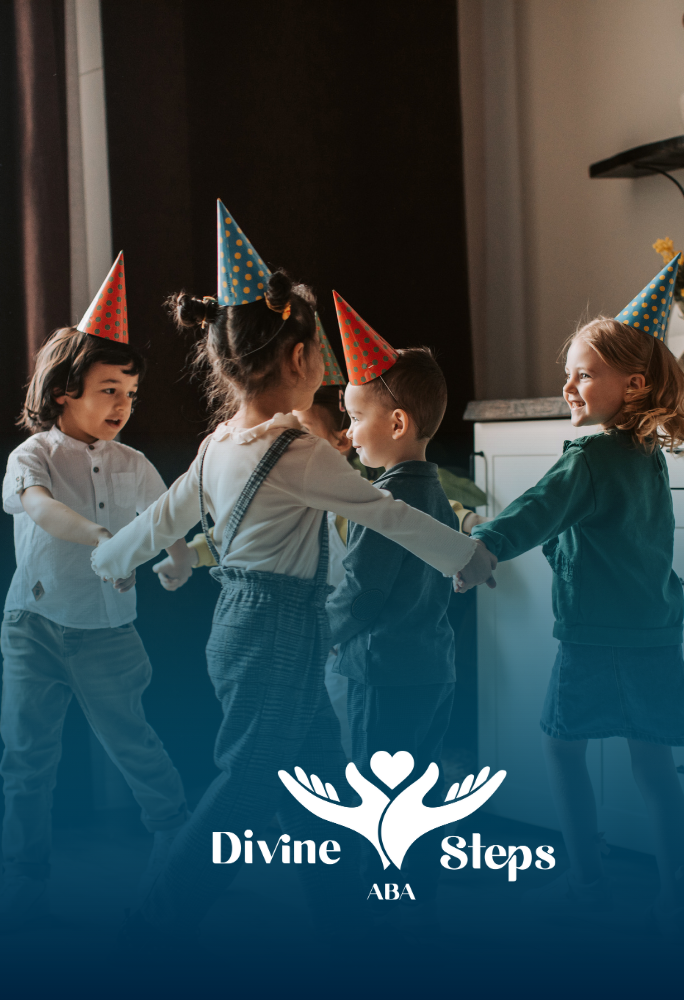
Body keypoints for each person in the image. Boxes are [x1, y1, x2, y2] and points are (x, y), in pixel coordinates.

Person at [90, 202, 496, 934]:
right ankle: (156, 919)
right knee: (247, 784)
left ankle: (346, 920)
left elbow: (164, 518)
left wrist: (110, 558)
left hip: (241, 625)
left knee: (319, 784)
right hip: (279, 630)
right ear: (303, 360)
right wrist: (466, 553)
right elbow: (388, 513)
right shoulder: (299, 452)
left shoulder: (220, 441)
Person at [468, 256, 684, 940]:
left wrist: (481, 545)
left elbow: (536, 510)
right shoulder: (647, 456)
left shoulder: (590, 457)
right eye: (569, 373)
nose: (568, 385)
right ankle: (677, 896)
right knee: (654, 766)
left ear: (632, 385)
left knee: (561, 750)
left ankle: (587, 884)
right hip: (655, 632)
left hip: (594, 635)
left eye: (583, 374)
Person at [0, 254, 191, 932]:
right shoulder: (32, 457)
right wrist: (101, 536)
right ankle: (23, 880)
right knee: (26, 756)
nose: (123, 405)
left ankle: (174, 842)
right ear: (63, 392)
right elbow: (39, 508)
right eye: (108, 390)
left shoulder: (136, 464)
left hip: (107, 629)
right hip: (33, 625)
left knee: (134, 742)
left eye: (131, 392)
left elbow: (169, 517)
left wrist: (178, 558)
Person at [326, 293, 462, 926]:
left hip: (379, 673)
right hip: (432, 669)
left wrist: (318, 634)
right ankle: (420, 902)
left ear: (398, 422)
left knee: (375, 800)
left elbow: (360, 592)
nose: (348, 433)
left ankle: (379, 913)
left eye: (356, 417)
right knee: (420, 794)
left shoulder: (384, 507)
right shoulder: (435, 496)